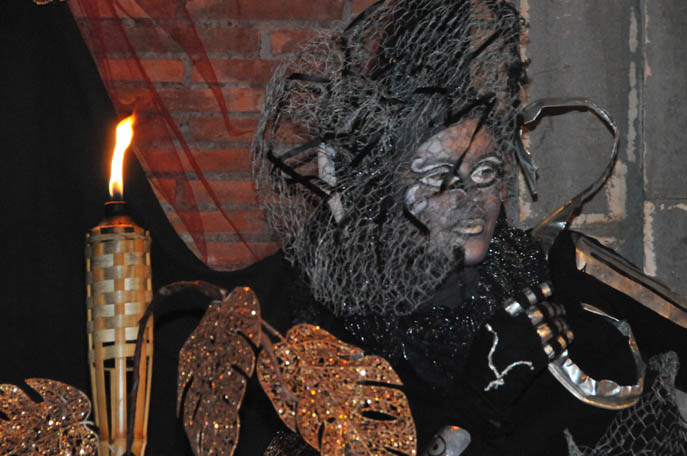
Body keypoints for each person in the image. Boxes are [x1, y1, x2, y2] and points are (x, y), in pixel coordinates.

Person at [250, 0, 687, 454]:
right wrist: (474, 409)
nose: (471, 200)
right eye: (441, 179)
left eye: (485, 172)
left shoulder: (561, 270)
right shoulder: (332, 331)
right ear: (384, 190)